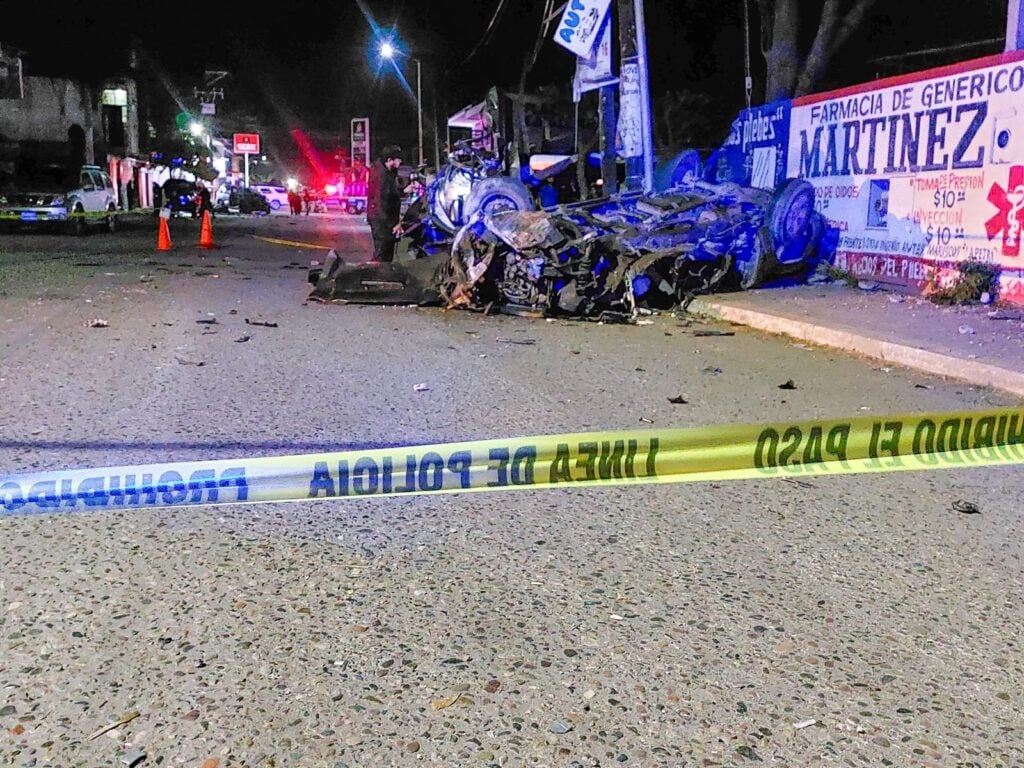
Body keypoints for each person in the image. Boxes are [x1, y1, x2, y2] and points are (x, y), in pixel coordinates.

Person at [366, 145, 404, 263]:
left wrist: (403, 191)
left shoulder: (388, 172)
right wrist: (393, 224)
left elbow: (390, 194)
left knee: (386, 251)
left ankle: (382, 275)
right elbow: (380, 202)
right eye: (398, 159)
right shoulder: (380, 176)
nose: (400, 161)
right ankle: (376, 276)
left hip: (384, 219)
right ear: (389, 160)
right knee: (382, 253)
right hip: (381, 221)